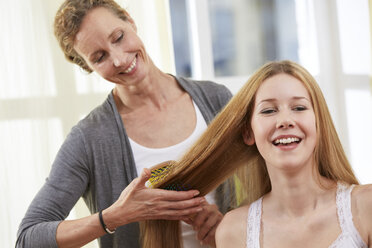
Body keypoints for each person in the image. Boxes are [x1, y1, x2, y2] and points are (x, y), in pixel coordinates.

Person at [16, 0, 236, 247]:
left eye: (118, 37)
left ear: (130, 21)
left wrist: (232, 223)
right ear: (87, 66)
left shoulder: (217, 100)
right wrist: (115, 216)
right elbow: (28, 238)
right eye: (100, 57)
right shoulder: (90, 138)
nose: (119, 59)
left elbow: (268, 188)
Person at [143, 60, 371, 248]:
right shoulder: (233, 232)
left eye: (299, 108)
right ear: (248, 133)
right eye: (269, 110)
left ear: (319, 123)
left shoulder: (365, 206)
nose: (285, 121)